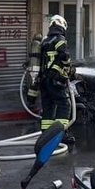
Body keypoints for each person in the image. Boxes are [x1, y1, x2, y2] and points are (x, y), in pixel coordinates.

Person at [33, 15, 74, 143]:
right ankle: (61, 135)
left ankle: (46, 135)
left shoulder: (45, 41)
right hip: (55, 80)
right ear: (61, 25)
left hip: (44, 80)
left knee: (48, 107)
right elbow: (64, 56)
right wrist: (69, 68)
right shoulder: (60, 39)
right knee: (64, 105)